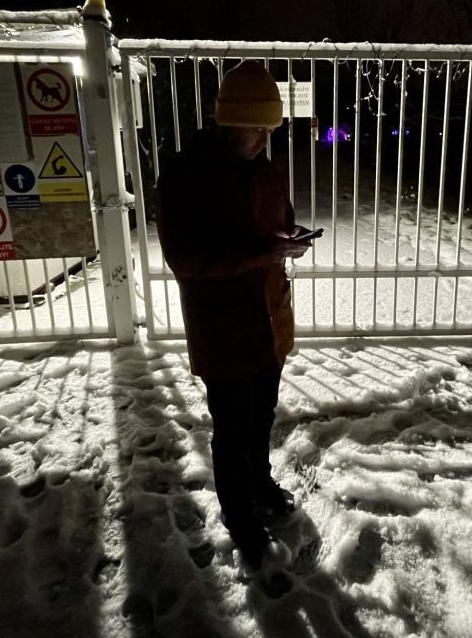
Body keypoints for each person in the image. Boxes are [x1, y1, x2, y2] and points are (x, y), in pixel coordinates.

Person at [154, 59, 313, 570]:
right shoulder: (185, 175)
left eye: (271, 126)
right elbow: (186, 259)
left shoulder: (266, 171)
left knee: (262, 415)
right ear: (226, 121)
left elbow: (278, 225)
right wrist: (260, 253)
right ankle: (238, 513)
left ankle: (260, 484)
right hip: (222, 324)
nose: (266, 136)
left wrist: (289, 241)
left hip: (268, 316)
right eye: (256, 126)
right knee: (233, 424)